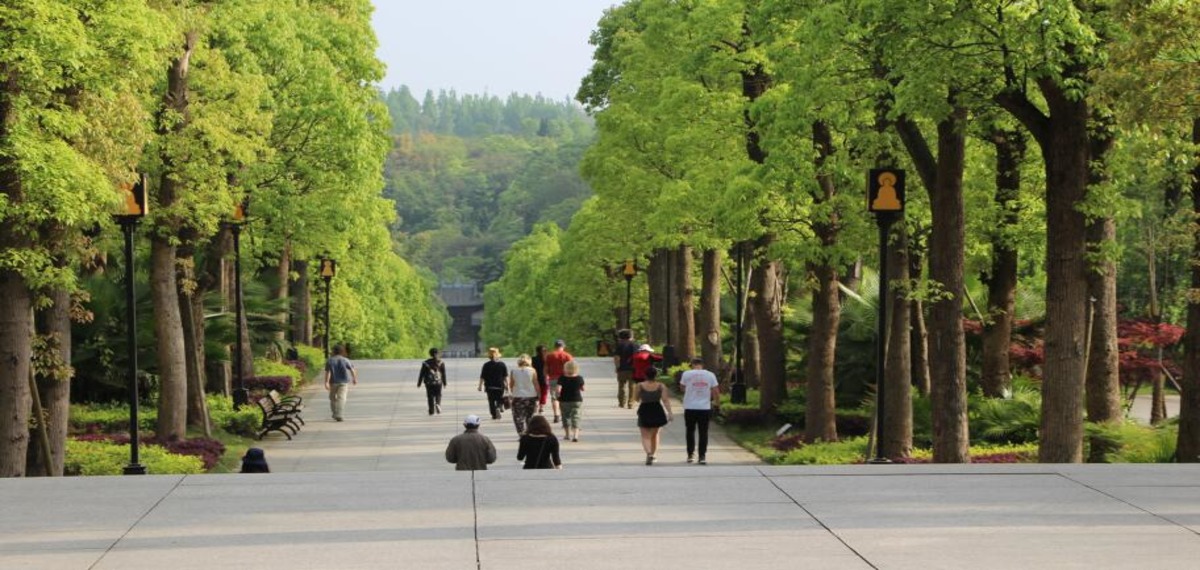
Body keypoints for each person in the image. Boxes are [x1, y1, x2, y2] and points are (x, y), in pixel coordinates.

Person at [679, 357, 720, 464]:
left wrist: (690, 391)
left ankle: (690, 455)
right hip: (704, 407)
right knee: (703, 432)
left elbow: (682, 388)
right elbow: (716, 390)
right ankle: (702, 456)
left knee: (690, 431)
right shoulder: (710, 375)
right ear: (702, 365)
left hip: (690, 406)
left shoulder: (686, 374)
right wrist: (717, 403)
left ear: (692, 364)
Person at [633, 366, 673, 465]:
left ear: (645, 375)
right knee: (655, 434)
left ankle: (649, 453)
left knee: (645, 435)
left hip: (644, 409)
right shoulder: (661, 386)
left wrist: (642, 397)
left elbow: (636, 398)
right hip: (657, 409)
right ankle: (654, 454)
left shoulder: (640, 385)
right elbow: (665, 400)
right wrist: (670, 412)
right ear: (656, 375)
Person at [324, 344, 358, 421]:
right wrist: (354, 378)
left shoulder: (330, 360)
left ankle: (335, 413)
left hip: (333, 382)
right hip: (344, 382)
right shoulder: (345, 360)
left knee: (332, 398)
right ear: (342, 351)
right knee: (341, 398)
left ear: (333, 352)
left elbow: (328, 372)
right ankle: (339, 414)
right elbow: (352, 370)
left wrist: (326, 382)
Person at [508, 354, 541, 435]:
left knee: (518, 417)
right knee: (530, 416)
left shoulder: (513, 371)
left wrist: (512, 392)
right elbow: (536, 383)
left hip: (518, 396)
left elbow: (511, 384)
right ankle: (529, 432)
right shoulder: (532, 370)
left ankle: (521, 433)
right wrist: (539, 395)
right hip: (531, 396)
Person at [543, 339, 573, 422]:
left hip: (553, 378)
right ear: (563, 346)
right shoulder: (567, 356)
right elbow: (572, 368)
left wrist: (545, 377)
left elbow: (546, 367)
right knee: (566, 397)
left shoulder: (549, 356)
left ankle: (556, 415)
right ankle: (565, 415)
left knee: (554, 398)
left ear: (555, 346)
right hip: (566, 379)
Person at [555, 360, 586, 441]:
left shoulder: (562, 378)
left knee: (565, 417)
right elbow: (583, 389)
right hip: (576, 400)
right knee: (576, 417)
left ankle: (567, 435)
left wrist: (558, 395)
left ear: (565, 368)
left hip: (564, 400)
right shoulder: (579, 378)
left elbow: (558, 389)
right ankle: (575, 436)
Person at [478, 347, 508, 420]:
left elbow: (482, 376)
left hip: (489, 386)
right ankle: (498, 407)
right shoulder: (502, 364)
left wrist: (480, 386)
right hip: (500, 386)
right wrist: (507, 385)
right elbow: (505, 377)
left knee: (491, 401)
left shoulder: (486, 365)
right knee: (500, 399)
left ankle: (494, 415)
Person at [613, 329, 638, 409]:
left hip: (622, 368)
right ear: (630, 336)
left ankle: (621, 402)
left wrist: (617, 367)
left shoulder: (619, 345)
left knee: (621, 386)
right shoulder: (635, 345)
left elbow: (616, 357)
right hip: (633, 369)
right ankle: (631, 403)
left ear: (621, 337)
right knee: (632, 386)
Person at [418, 347, 447, 415]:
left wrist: (419, 383)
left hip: (429, 383)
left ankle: (431, 410)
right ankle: (438, 404)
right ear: (438, 354)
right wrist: (444, 383)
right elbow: (443, 373)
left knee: (430, 396)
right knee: (438, 394)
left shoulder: (425, 363)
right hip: (438, 382)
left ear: (430, 354)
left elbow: (421, 373)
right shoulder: (441, 362)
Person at [532, 344, 548, 414]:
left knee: (535, 392)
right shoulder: (546, 359)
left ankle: (535, 404)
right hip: (544, 378)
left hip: (535, 377)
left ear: (536, 351)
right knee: (544, 393)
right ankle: (541, 407)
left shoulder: (533, 359)